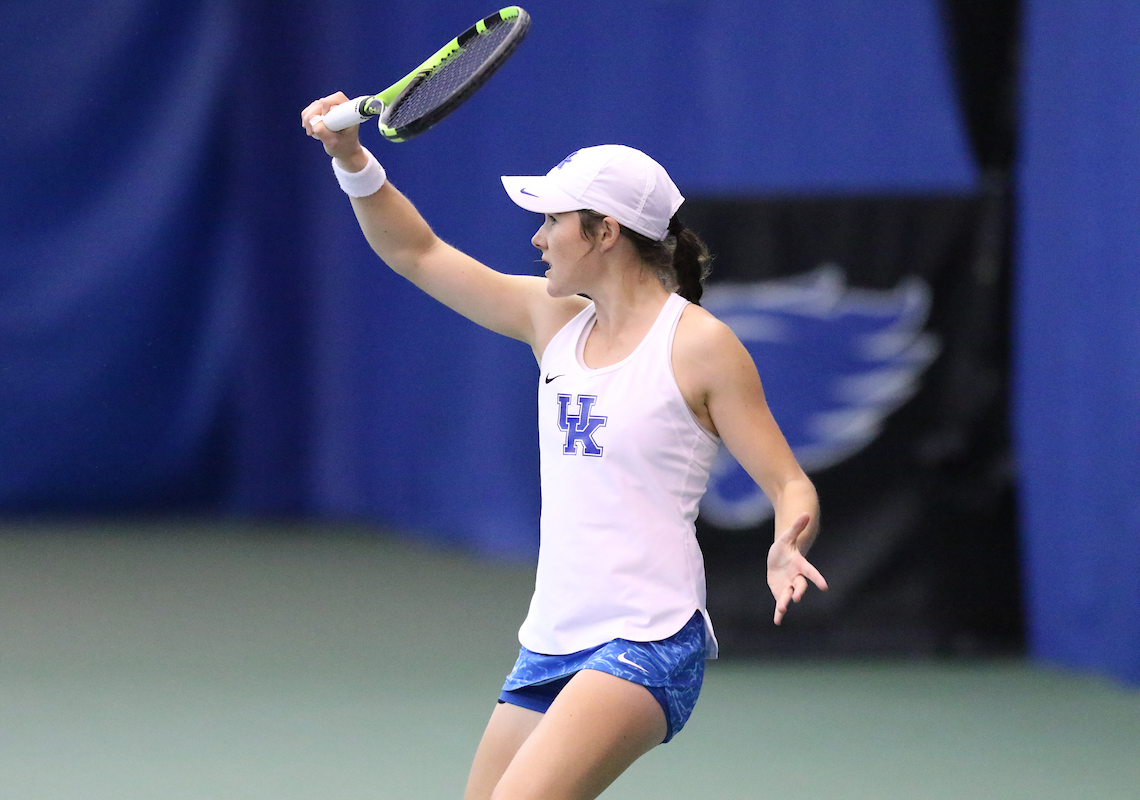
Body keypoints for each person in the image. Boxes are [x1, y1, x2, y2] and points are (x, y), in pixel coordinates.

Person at [302, 91, 827, 800]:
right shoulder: (552, 321)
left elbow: (790, 483)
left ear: (604, 232)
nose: (538, 237)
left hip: (648, 638)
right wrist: (352, 159)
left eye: (553, 220)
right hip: (550, 638)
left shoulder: (701, 345)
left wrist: (788, 542)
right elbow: (416, 252)